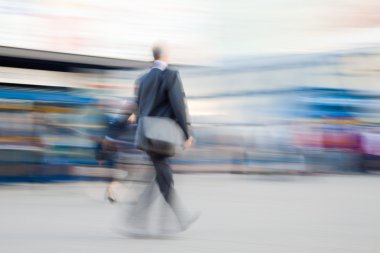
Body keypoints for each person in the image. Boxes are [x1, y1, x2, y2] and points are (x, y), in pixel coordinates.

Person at [127, 42, 198, 234]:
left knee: (160, 177)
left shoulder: (142, 79)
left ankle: (140, 219)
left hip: (145, 134)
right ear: (165, 56)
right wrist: (187, 133)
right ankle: (178, 217)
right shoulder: (170, 75)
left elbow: (139, 108)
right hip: (162, 135)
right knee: (164, 177)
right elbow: (178, 106)